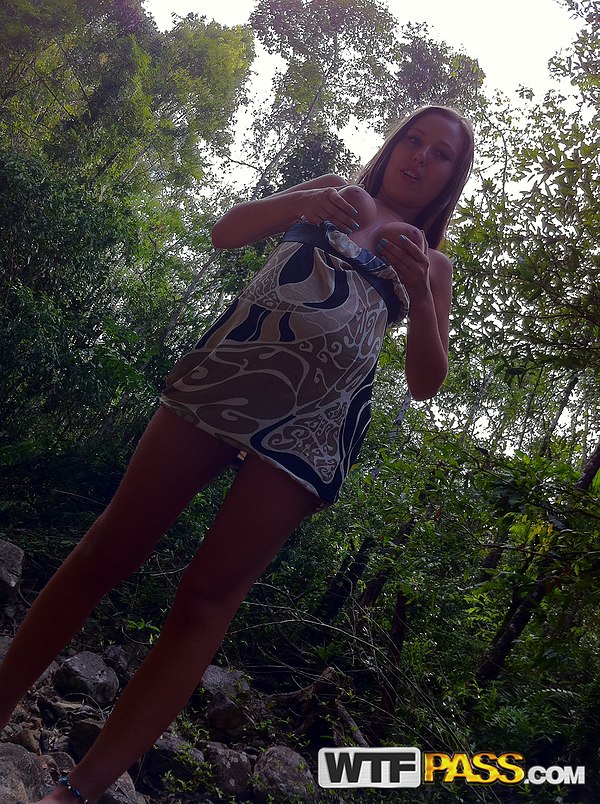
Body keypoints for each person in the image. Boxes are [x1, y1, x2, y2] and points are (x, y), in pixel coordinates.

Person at [0, 105, 474, 803]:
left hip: (313, 430)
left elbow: (427, 382)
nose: (421, 158)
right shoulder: (333, 191)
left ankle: (75, 793)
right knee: (107, 548)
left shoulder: (432, 264)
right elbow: (226, 233)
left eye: (440, 155)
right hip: (226, 377)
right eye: (414, 140)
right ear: (394, 144)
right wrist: (301, 202)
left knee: (206, 600)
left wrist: (421, 295)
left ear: (450, 179)